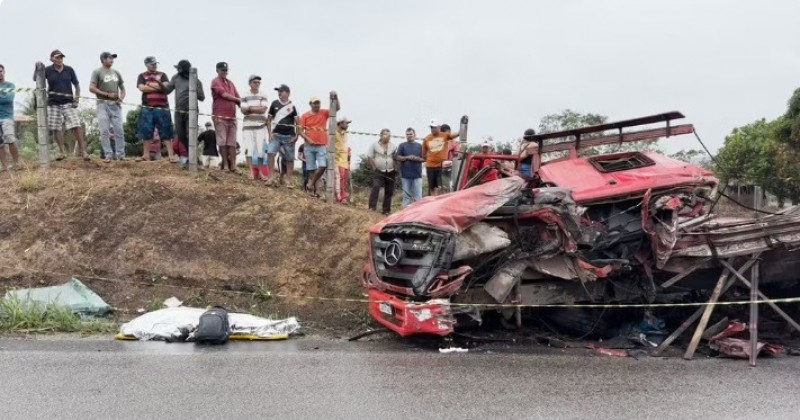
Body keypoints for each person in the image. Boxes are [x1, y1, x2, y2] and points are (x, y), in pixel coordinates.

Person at [34, 49, 88, 161]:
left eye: (61, 57)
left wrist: (76, 99)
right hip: (53, 103)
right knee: (55, 127)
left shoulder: (69, 70)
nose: (60, 59)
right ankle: (62, 152)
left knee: (76, 125)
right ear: (52, 59)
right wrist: (37, 69)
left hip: (68, 102)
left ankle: (83, 151)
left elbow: (77, 85)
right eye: (57, 57)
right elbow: (36, 79)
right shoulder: (48, 70)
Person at [299, 92, 340, 196]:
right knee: (311, 169)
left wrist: (336, 98)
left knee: (322, 166)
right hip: (309, 146)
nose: (317, 105)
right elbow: (299, 131)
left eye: (318, 103)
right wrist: (308, 139)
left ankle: (310, 184)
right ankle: (315, 191)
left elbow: (336, 109)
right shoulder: (305, 116)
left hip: (321, 145)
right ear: (310, 104)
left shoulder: (323, 113)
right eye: (315, 103)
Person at [136, 56, 175, 163]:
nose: (154, 65)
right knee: (146, 131)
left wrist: (150, 85)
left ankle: (171, 155)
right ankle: (146, 155)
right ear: (146, 64)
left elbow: (166, 87)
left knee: (166, 130)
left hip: (162, 106)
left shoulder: (162, 74)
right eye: (152, 64)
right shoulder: (141, 75)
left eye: (155, 63)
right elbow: (142, 88)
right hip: (147, 107)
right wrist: (158, 86)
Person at [89, 52, 126, 162]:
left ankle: (120, 155)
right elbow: (91, 88)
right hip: (102, 103)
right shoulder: (97, 72)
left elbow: (123, 88)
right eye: (109, 58)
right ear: (103, 59)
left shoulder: (116, 73)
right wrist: (107, 94)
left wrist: (121, 98)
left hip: (115, 105)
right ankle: (108, 154)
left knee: (119, 130)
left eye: (112, 58)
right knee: (104, 130)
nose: (112, 60)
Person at [171, 59, 205, 166]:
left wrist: (193, 88)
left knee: (190, 134)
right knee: (180, 135)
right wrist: (159, 85)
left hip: (191, 111)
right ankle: (192, 156)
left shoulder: (195, 80)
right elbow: (167, 89)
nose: (178, 71)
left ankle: (193, 159)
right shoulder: (175, 78)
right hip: (178, 110)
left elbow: (202, 97)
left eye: (179, 69)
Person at [266, 84, 299, 188]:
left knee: (289, 159)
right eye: (278, 91)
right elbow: (268, 119)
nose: (279, 93)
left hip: (289, 136)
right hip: (276, 135)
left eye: (281, 91)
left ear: (287, 93)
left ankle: (288, 180)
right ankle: (270, 177)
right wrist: (270, 133)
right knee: (270, 152)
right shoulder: (274, 103)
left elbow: (298, 122)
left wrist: (297, 135)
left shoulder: (293, 106)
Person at [211, 62, 241, 172]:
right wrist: (238, 100)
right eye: (222, 70)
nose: (225, 72)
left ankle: (233, 165)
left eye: (226, 70)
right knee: (222, 141)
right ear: (217, 70)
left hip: (232, 117)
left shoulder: (231, 83)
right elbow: (224, 95)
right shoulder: (215, 81)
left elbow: (238, 97)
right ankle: (225, 165)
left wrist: (244, 105)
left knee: (232, 142)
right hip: (220, 116)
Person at [240, 74, 269, 179]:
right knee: (249, 149)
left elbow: (263, 109)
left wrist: (250, 108)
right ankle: (251, 172)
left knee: (261, 150)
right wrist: (256, 108)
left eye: (258, 82)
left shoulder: (263, 94)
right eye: (255, 82)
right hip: (248, 126)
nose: (257, 84)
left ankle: (261, 172)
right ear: (250, 83)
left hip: (260, 126)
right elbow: (243, 110)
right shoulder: (244, 95)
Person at [422, 119, 460, 196]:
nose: (433, 129)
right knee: (432, 187)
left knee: (442, 187)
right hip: (430, 166)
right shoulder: (426, 138)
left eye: (434, 127)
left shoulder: (444, 135)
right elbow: (423, 154)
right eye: (431, 127)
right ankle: (432, 201)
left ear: (439, 127)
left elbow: (454, 135)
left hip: (441, 166)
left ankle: (439, 201)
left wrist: (461, 131)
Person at [367, 129, 397, 215]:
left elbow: (395, 158)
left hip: (391, 171)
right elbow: (370, 157)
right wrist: (374, 168)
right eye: (386, 135)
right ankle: (372, 208)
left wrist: (395, 168)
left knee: (389, 191)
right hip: (379, 171)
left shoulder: (393, 146)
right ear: (381, 135)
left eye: (389, 135)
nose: (388, 137)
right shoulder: (374, 145)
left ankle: (386, 210)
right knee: (376, 187)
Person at [394, 127, 424, 207]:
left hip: (417, 175)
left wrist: (416, 158)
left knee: (418, 196)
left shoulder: (419, 146)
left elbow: (424, 158)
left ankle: (418, 213)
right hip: (405, 175)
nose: (409, 136)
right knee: (406, 196)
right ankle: (404, 214)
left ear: (415, 135)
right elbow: (397, 157)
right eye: (407, 134)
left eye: (411, 134)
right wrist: (407, 157)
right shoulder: (402, 145)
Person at [0, 64, 19, 170]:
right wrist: (2, 96)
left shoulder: (10, 85)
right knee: (0, 144)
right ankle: (4, 166)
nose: (0, 73)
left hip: (7, 116)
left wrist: (2, 97)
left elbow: (8, 99)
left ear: (4, 72)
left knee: (10, 139)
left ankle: (16, 164)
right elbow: (4, 98)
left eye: (1, 71)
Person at [333, 117, 352, 203]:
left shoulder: (345, 133)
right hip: (337, 159)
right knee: (338, 178)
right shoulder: (333, 133)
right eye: (346, 123)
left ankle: (343, 196)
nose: (347, 125)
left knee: (344, 179)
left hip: (344, 159)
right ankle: (338, 196)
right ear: (340, 123)